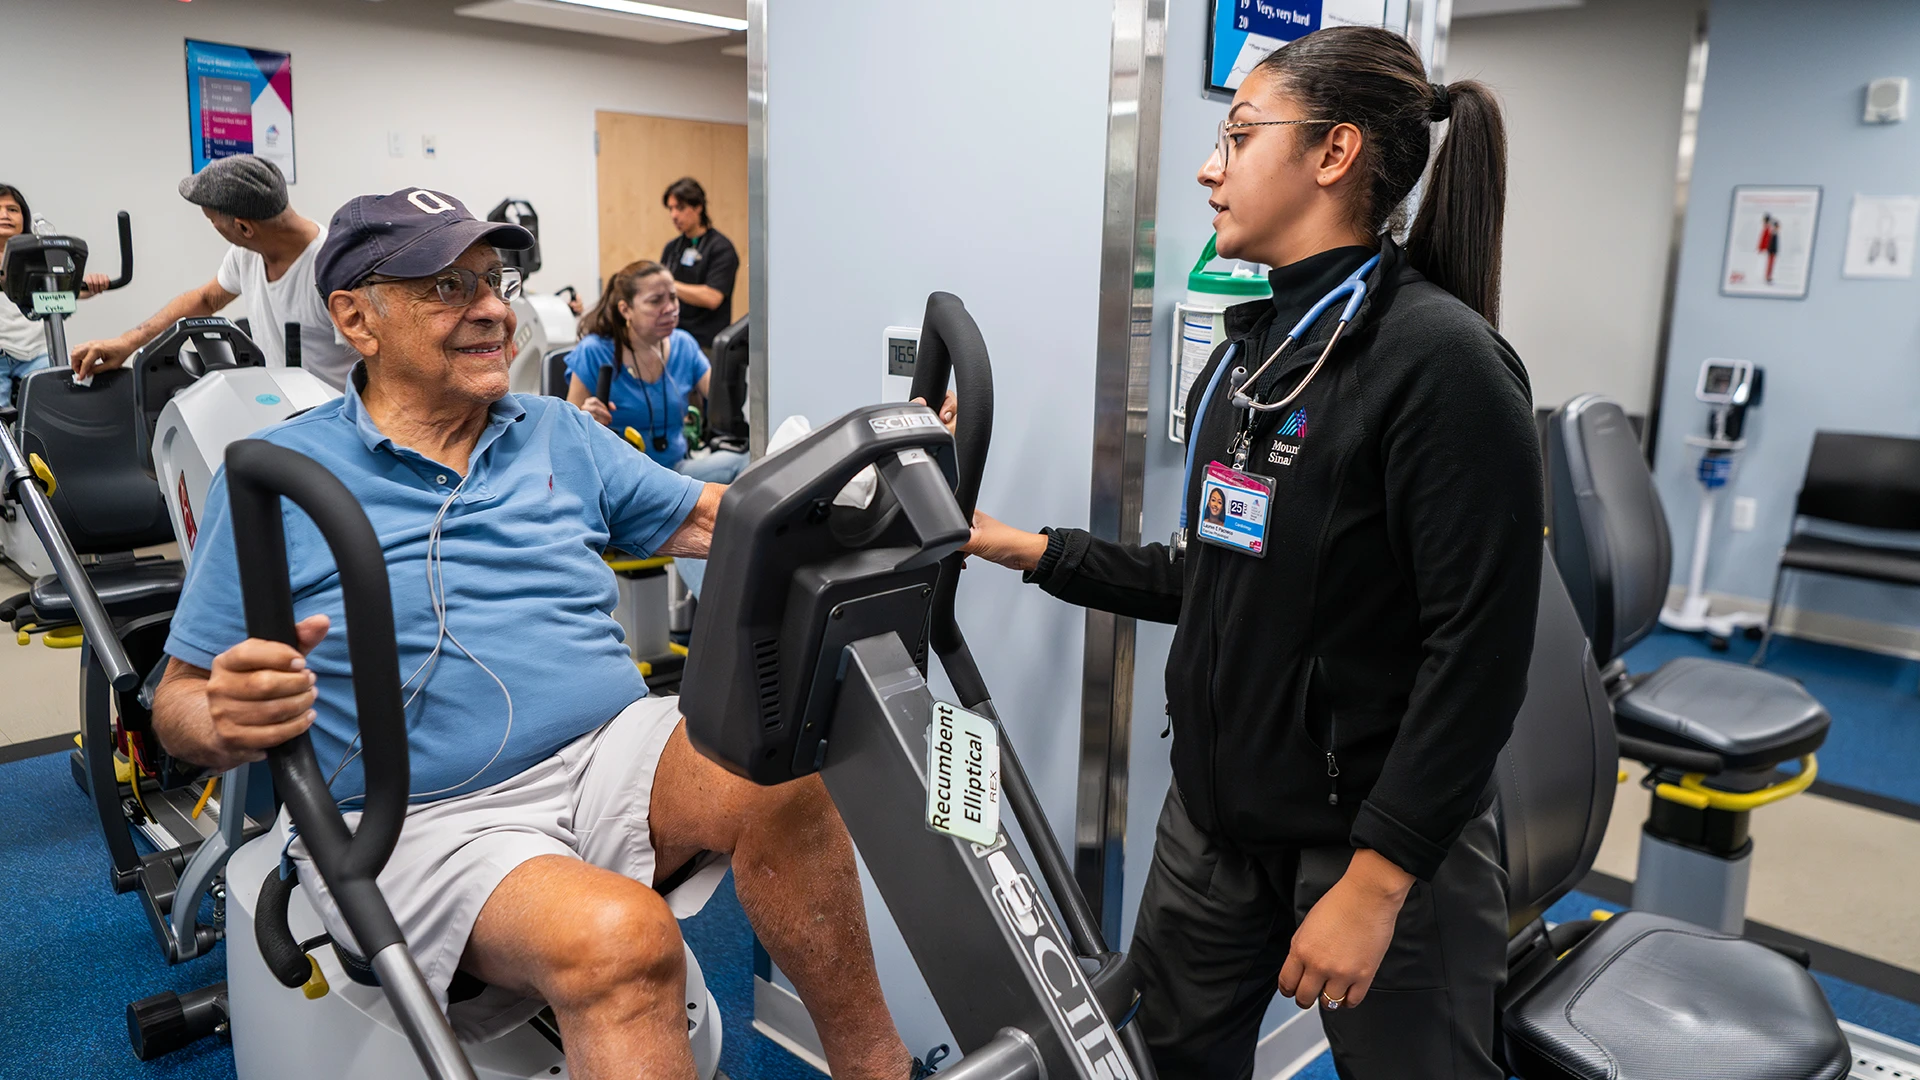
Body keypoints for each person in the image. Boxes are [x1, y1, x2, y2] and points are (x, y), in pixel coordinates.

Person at [150, 188, 938, 1080]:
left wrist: (869, 482)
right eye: (447, 287)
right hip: (420, 818)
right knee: (624, 940)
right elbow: (176, 702)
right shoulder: (279, 478)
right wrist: (222, 717)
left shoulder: (559, 432)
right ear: (355, 319)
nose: (493, 308)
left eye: (494, 279)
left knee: (783, 775)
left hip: (610, 751)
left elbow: (729, 521)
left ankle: (880, 1071)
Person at [958, 26, 1541, 1080]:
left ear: (1334, 154)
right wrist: (1026, 548)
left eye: (1237, 134)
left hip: (1374, 839)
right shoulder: (1254, 357)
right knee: (1172, 1060)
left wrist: (1377, 879)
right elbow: (1217, 576)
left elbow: (1482, 654)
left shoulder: (1445, 366)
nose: (1207, 164)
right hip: (1217, 823)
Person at [68, 155, 359, 390]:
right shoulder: (247, 253)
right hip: (284, 408)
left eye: (212, 221)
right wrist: (127, 343)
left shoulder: (333, 270)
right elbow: (206, 300)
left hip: (331, 425)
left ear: (245, 227)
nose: (213, 228)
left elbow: (378, 367)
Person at [566, 260, 747, 484]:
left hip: (676, 475)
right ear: (625, 309)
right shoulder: (594, 351)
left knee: (749, 463)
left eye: (672, 297)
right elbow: (569, 434)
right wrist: (587, 420)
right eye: (655, 301)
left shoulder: (684, 345)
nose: (670, 308)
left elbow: (723, 400)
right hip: (621, 480)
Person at [0, 183, 110, 407]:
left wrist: (93, 283)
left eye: (13, 209)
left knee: (60, 404)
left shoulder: (39, 254)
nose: (5, 215)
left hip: (37, 350)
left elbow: (65, 290)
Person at [659, 178, 738, 351]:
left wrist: (668, 284)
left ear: (698, 207)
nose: (674, 215)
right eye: (670, 209)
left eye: (680, 208)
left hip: (705, 344)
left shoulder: (721, 248)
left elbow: (712, 297)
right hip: (673, 338)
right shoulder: (672, 248)